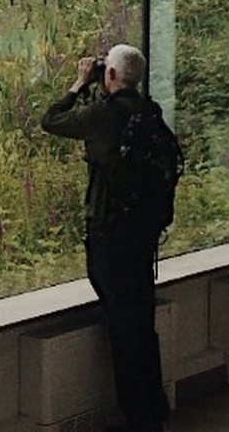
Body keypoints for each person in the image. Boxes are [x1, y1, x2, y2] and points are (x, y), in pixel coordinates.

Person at [40, 43, 170, 432]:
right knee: (142, 321)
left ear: (109, 75)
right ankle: (153, 409)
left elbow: (52, 120)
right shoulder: (151, 113)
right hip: (144, 235)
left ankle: (138, 416)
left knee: (123, 325)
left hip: (111, 233)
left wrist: (80, 82)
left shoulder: (101, 115)